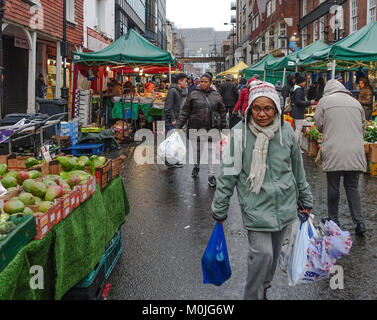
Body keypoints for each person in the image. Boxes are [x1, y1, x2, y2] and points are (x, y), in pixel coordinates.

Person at [211, 80, 313, 300]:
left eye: (267, 108)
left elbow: (297, 169)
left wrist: (305, 198)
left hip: (285, 203)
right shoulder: (240, 134)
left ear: (276, 108)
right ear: (249, 109)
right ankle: (252, 295)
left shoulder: (286, 132)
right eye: (257, 108)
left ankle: (264, 288)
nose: (262, 114)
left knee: (273, 256)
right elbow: (228, 173)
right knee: (262, 254)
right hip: (255, 204)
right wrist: (220, 207)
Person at [314, 80, 367, 235]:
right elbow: (362, 128)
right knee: (352, 188)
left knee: (333, 187)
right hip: (354, 150)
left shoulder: (324, 102)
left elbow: (318, 125)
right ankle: (359, 222)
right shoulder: (355, 103)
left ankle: (334, 219)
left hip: (333, 149)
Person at [175, 73, 228, 187]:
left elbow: (222, 115)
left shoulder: (217, 96)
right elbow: (185, 112)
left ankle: (211, 175)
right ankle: (196, 166)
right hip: (195, 128)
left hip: (212, 129)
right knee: (197, 151)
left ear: (210, 83)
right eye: (201, 81)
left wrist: (225, 130)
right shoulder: (193, 94)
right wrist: (178, 126)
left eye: (205, 82)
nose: (203, 83)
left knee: (211, 152)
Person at [163, 73, 188, 168]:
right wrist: (173, 120)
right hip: (170, 121)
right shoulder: (173, 91)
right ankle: (168, 161)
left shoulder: (178, 90)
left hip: (175, 119)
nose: (186, 83)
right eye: (185, 81)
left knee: (174, 141)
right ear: (179, 81)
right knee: (171, 142)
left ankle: (173, 160)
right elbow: (168, 107)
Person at [291, 75, 316, 144]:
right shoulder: (299, 90)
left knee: (297, 129)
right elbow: (298, 102)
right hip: (298, 111)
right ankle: (295, 145)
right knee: (298, 129)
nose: (305, 83)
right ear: (301, 82)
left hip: (295, 111)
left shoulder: (295, 88)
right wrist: (309, 102)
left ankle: (296, 144)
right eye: (304, 81)